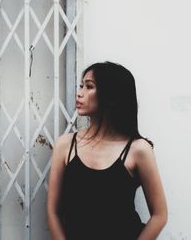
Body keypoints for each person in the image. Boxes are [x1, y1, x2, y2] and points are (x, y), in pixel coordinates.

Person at [47, 61, 167, 240]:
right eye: (81, 86)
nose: (79, 93)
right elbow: (53, 211)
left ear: (111, 96)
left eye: (89, 87)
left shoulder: (138, 149)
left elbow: (159, 214)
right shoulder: (66, 145)